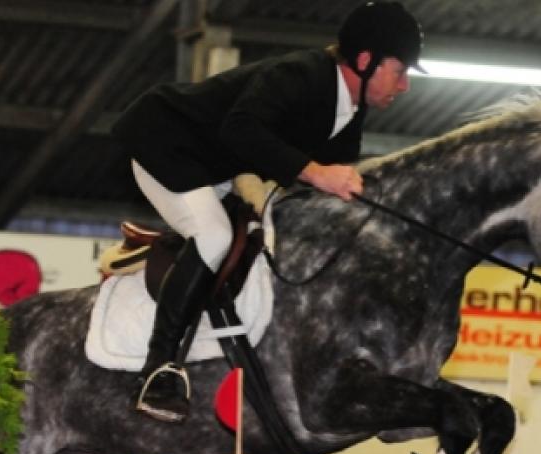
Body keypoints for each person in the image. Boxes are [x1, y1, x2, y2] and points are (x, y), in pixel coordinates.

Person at [112, 1, 424, 423]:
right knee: (215, 236)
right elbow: (239, 130)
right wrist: (316, 173)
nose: (404, 85)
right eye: (400, 70)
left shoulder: (350, 113)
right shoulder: (300, 75)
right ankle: (159, 369)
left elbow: (325, 193)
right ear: (366, 61)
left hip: (217, 168)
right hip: (167, 144)